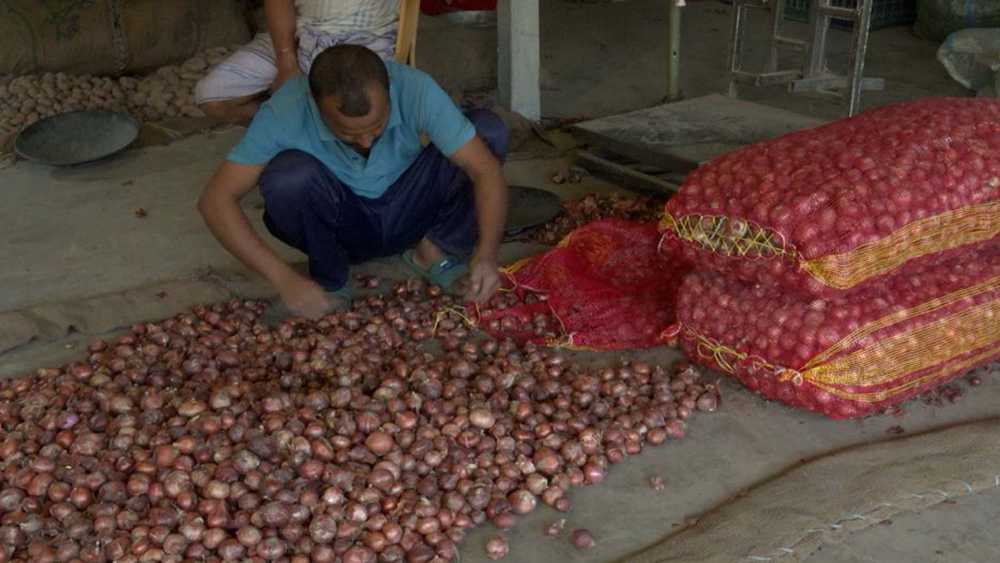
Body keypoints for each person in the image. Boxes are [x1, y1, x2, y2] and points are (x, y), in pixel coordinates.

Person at [197, 44, 509, 320]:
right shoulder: (285, 110)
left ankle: (434, 250)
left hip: (410, 208)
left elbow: (485, 170)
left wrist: (486, 255)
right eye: (347, 133)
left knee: (486, 132)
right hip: (345, 226)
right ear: (315, 104)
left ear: (390, 90)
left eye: (377, 125)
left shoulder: (415, 88)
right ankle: (330, 279)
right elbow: (215, 201)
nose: (365, 140)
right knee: (288, 178)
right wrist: (284, 279)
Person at [195, 0, 401, 124]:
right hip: (299, 34)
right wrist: (286, 62)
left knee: (351, 104)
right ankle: (292, 125)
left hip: (367, 40)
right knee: (212, 98)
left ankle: (310, 126)